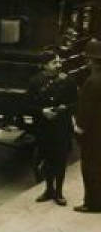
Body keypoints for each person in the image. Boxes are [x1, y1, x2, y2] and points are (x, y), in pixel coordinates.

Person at [28, 55, 77, 206]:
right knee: (47, 158)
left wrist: (65, 108)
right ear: (44, 66)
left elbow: (76, 102)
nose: (58, 64)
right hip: (44, 126)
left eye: (59, 61)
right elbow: (27, 104)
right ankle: (49, 189)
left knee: (60, 160)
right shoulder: (35, 82)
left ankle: (59, 192)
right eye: (54, 62)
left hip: (61, 126)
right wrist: (42, 111)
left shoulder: (68, 81)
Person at [74, 39, 101, 213]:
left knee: (90, 167)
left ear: (90, 60)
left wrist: (80, 126)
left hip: (93, 132)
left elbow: (87, 108)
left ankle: (92, 203)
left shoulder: (92, 81)